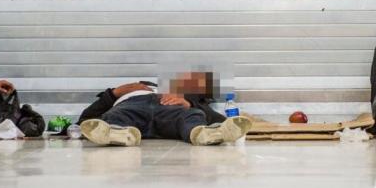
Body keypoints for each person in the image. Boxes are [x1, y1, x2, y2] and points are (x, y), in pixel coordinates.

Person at [76, 71, 251, 147]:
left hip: (171, 111)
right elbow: (85, 119)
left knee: (192, 117)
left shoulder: (186, 99)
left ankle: (203, 134)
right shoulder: (135, 88)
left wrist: (190, 104)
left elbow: (220, 120)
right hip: (132, 105)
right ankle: (119, 134)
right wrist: (114, 93)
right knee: (116, 116)